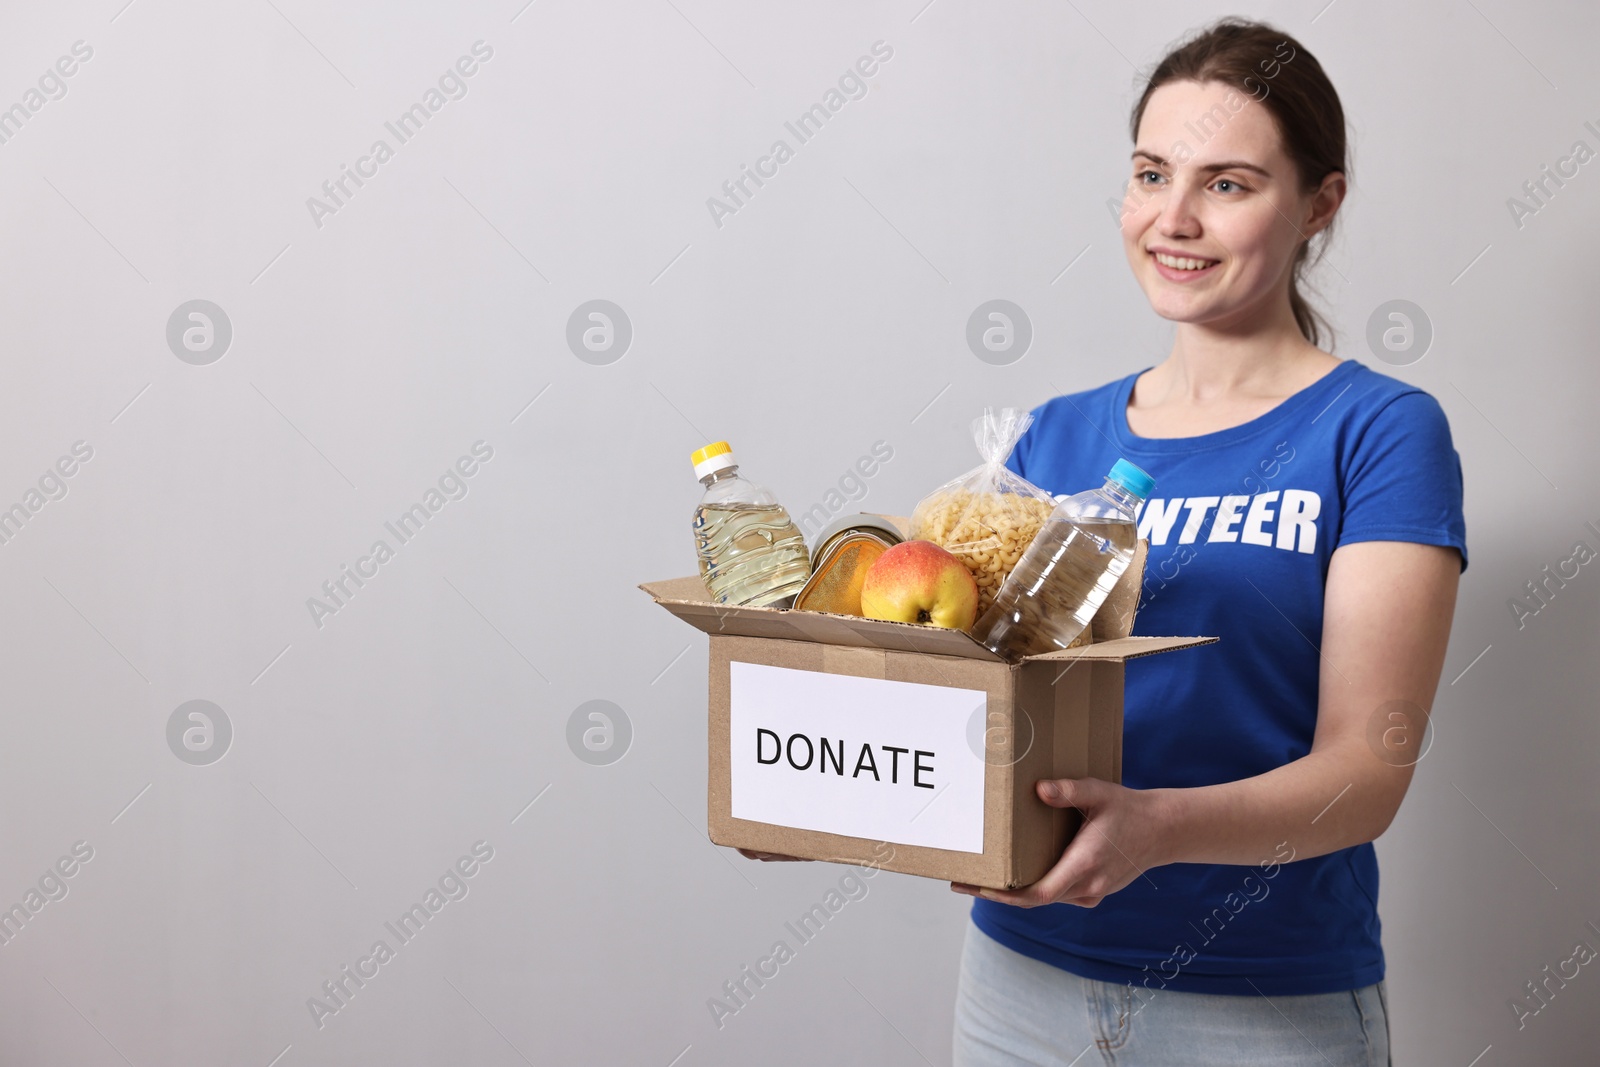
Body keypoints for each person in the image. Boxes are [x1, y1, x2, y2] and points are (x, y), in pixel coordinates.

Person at [942, 17, 1466, 1066]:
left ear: (1319, 203)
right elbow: (994, 704)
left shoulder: (1377, 432)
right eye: (1150, 174)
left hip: (1259, 1000)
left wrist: (1156, 830)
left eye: (1227, 184)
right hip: (1019, 982)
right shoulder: (1051, 436)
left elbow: (1370, 764)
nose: (1171, 218)